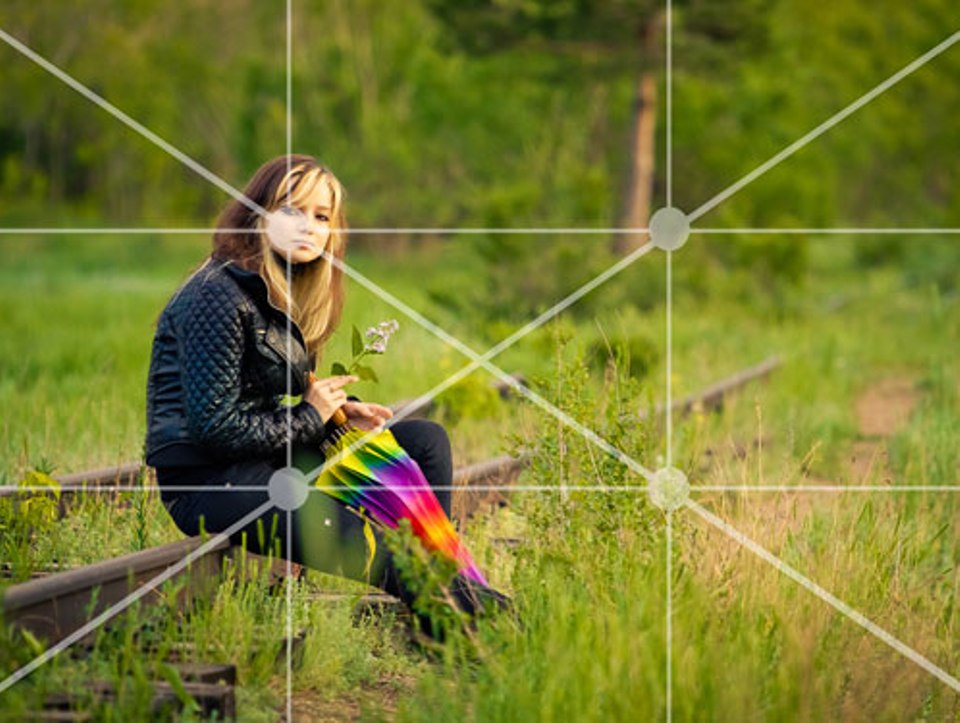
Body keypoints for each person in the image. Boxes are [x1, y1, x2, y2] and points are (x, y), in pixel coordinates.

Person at [145, 154, 506, 633]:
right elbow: (215, 429)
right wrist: (312, 418)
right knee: (382, 549)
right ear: (259, 215)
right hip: (211, 484)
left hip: (267, 463)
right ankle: (478, 620)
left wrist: (336, 416)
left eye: (322, 216)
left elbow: (275, 402)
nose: (308, 227)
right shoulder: (216, 293)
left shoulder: (282, 289)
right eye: (291, 211)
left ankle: (443, 604)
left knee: (423, 443)